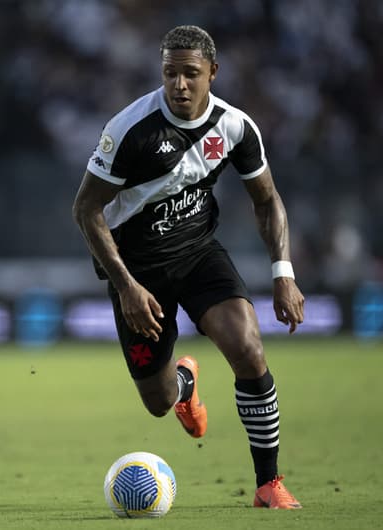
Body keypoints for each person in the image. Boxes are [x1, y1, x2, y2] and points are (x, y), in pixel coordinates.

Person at [72, 25, 304, 509]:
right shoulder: (130, 129)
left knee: (248, 349)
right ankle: (184, 385)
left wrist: (283, 272)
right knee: (157, 403)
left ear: (212, 74)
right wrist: (126, 286)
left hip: (199, 253)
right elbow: (86, 209)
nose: (178, 84)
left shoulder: (236, 126)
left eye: (190, 74)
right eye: (170, 73)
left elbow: (267, 201)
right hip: (136, 271)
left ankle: (269, 484)